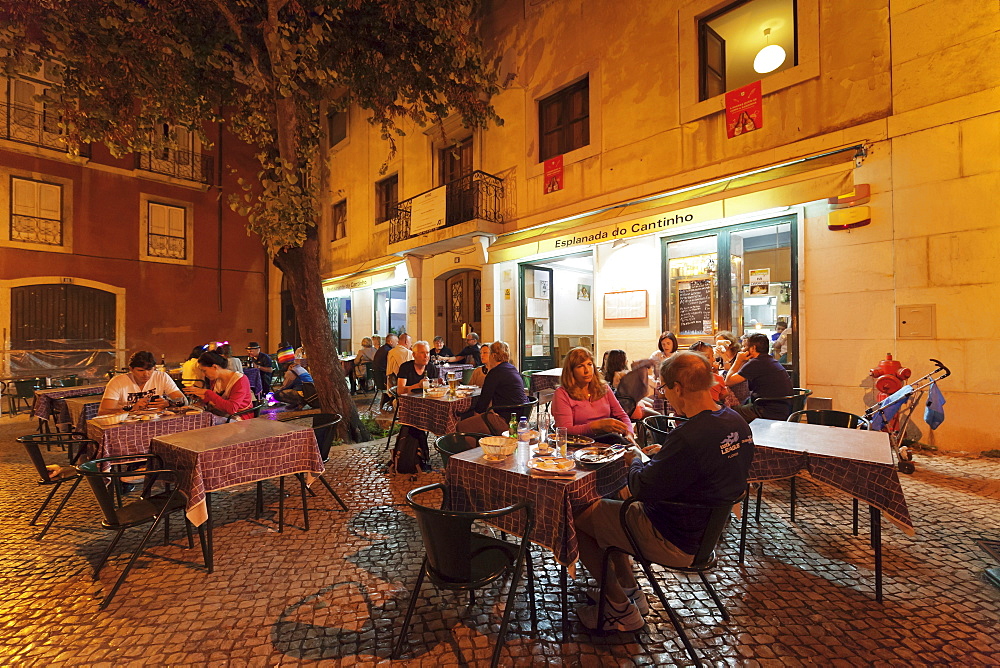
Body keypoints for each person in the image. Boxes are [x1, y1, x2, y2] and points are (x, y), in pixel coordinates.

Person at [573, 351, 755, 631]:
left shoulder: (689, 436)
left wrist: (634, 458)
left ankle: (620, 609)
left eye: (664, 388)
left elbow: (641, 487)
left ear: (678, 388)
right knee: (614, 504)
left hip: (674, 538)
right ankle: (629, 590)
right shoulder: (735, 421)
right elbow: (707, 465)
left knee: (576, 516)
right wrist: (665, 454)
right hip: (706, 533)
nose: (666, 395)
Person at [552, 347, 633, 443]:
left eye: (589, 364)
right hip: (579, 444)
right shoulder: (562, 394)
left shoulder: (604, 388)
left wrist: (629, 433)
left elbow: (622, 415)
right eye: (580, 366)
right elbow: (564, 430)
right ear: (571, 371)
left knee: (633, 451)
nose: (587, 370)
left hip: (608, 441)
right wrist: (596, 426)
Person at [725, 332, 794, 422]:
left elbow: (728, 381)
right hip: (782, 408)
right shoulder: (770, 360)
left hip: (767, 410)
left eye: (744, 346)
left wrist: (738, 360)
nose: (742, 350)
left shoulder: (756, 363)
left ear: (753, 348)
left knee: (727, 412)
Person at [99, 350, 186, 415]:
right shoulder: (117, 382)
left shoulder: (161, 377)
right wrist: (133, 408)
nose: (146, 374)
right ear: (131, 369)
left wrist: (168, 403)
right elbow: (103, 412)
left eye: (149, 370)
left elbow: (184, 401)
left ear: (154, 368)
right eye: (140, 370)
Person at [182, 350, 254, 419]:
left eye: (204, 371)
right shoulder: (215, 379)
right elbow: (215, 401)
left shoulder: (240, 380)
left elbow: (231, 408)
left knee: (204, 422)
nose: (204, 374)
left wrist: (207, 393)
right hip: (221, 414)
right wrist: (199, 400)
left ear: (214, 367)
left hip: (239, 417)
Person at [469, 341, 527, 418]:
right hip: (522, 412)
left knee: (461, 426)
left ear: (493, 356)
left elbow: (483, 403)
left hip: (506, 417)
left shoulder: (494, 373)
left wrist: (474, 417)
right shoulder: (512, 368)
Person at [689, 341, 739, 408]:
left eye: (712, 355)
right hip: (713, 413)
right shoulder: (716, 378)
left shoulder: (683, 377)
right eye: (708, 357)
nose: (713, 359)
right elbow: (725, 394)